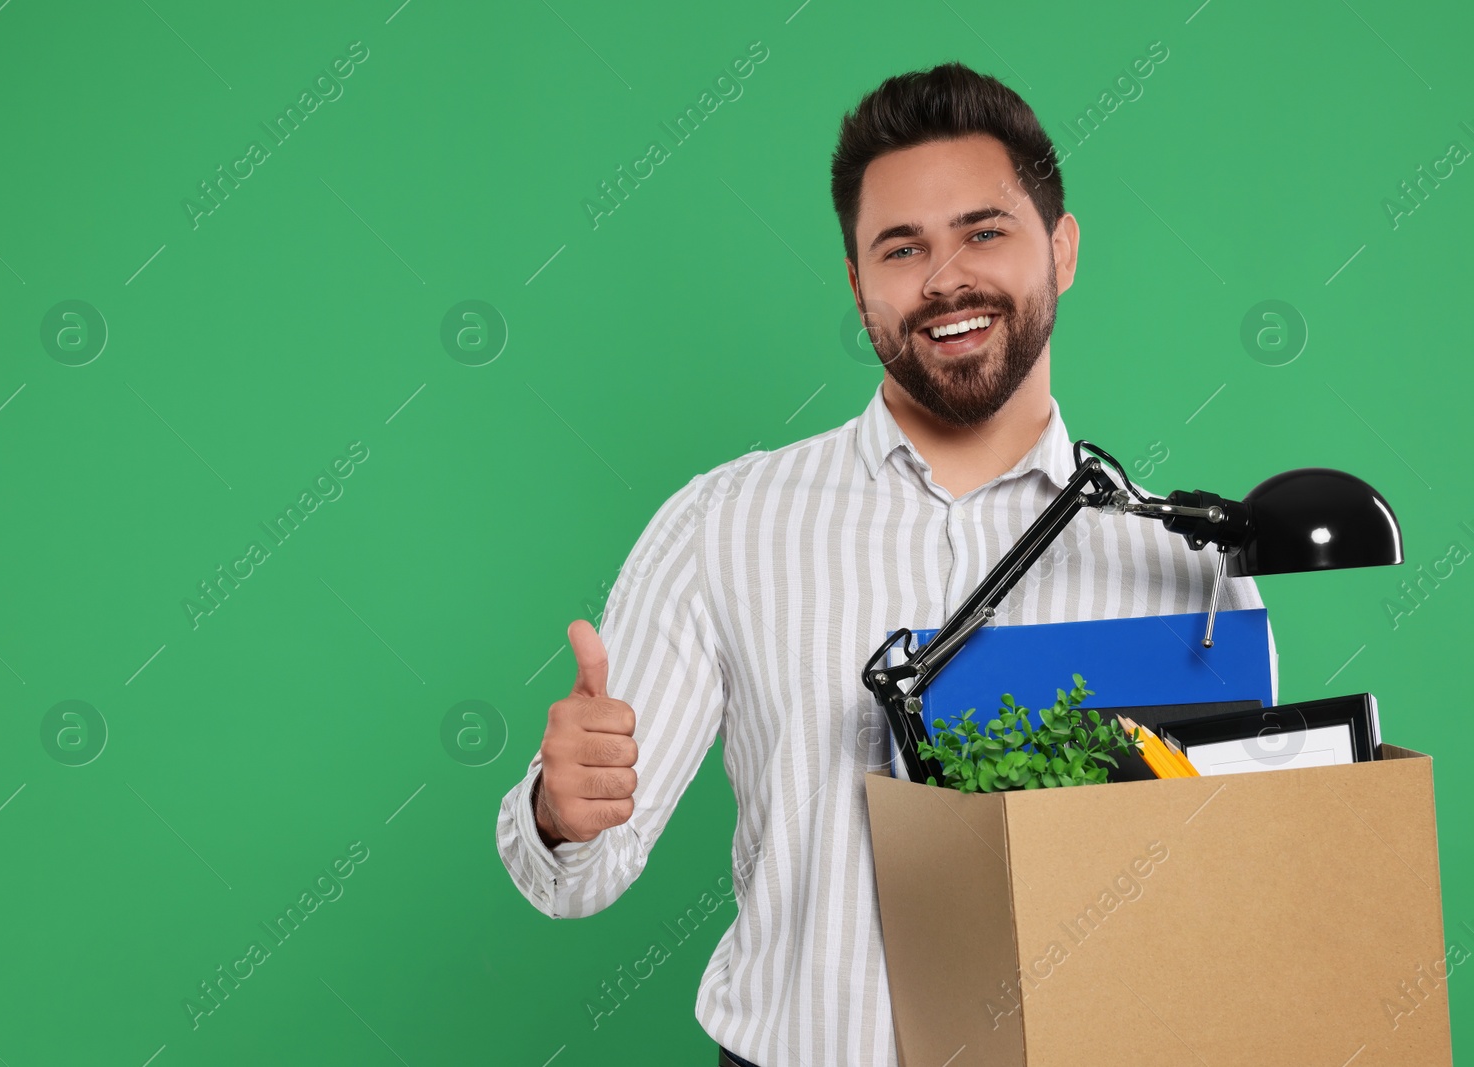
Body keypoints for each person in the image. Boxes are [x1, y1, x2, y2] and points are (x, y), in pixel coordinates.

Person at [495, 61, 1278, 1067]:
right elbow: (576, 877)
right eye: (901, 248)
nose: (945, 278)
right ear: (859, 285)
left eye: (983, 231)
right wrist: (562, 811)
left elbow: (1234, 902)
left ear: (1062, 248)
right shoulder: (721, 524)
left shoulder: (1184, 557)